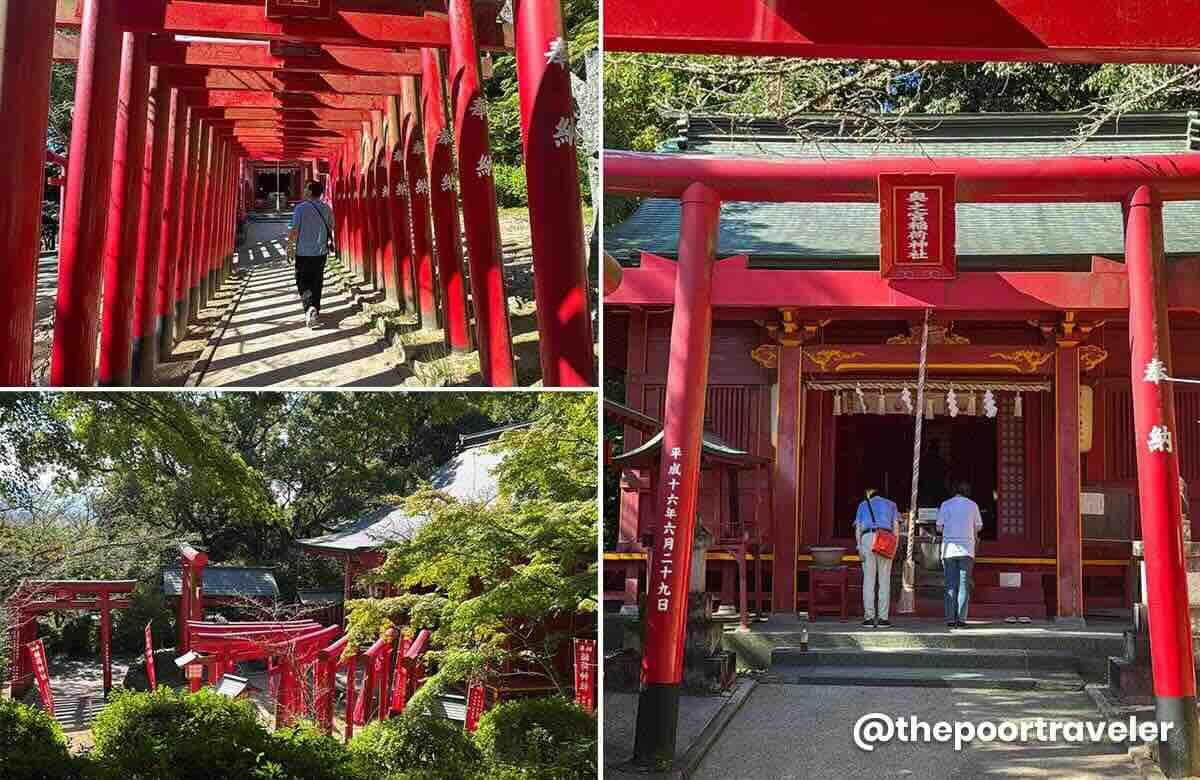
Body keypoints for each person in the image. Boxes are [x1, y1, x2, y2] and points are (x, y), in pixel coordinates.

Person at [287, 180, 335, 329]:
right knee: (317, 281)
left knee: (303, 281)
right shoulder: (326, 208)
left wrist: (289, 248)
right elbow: (332, 226)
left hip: (303, 253)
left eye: (306, 187)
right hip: (320, 252)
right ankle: (315, 309)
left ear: (309, 191)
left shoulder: (300, 209)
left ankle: (309, 308)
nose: (304, 189)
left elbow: (294, 230)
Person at [936, 481, 983, 628]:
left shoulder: (945, 504)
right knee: (964, 585)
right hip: (967, 549)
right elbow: (979, 526)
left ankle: (950, 619)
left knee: (950, 584)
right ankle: (961, 619)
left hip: (949, 549)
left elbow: (938, 527)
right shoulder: (973, 505)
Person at [854, 488, 900, 628]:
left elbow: (858, 528)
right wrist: (894, 548)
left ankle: (869, 618)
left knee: (868, 580)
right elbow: (896, 528)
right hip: (885, 539)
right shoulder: (892, 505)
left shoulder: (863, 504)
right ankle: (883, 619)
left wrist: (859, 547)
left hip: (867, 538)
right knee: (884, 580)